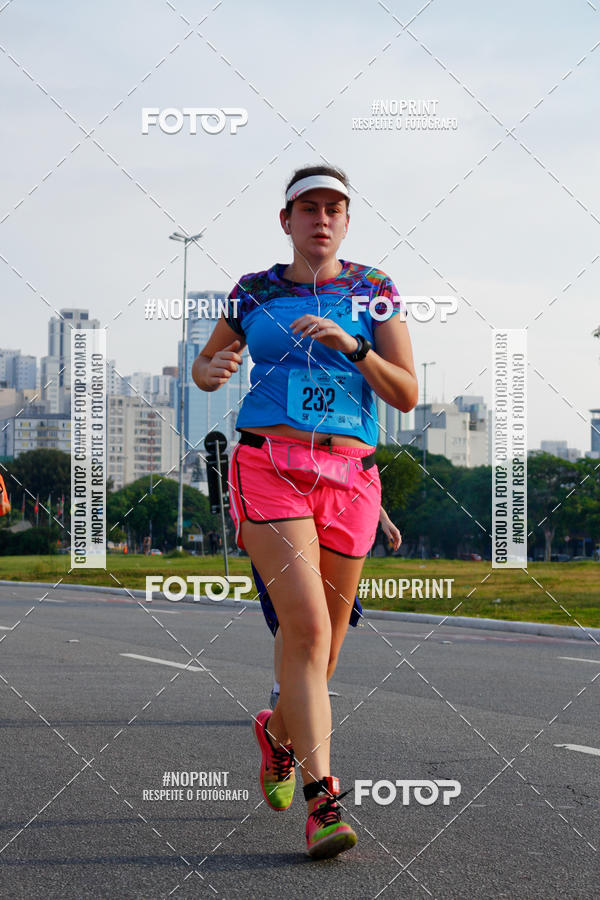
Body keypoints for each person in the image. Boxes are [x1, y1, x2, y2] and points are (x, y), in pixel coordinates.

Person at [192, 165, 417, 859]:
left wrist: (352, 347)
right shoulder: (254, 291)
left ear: (346, 222)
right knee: (309, 627)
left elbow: (407, 393)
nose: (321, 219)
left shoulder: (373, 290)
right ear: (285, 220)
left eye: (334, 209)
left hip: (350, 474)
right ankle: (324, 805)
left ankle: (277, 735)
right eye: (307, 208)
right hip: (269, 465)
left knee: (324, 655)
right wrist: (211, 373)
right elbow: (205, 367)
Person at [252, 508, 402, 709]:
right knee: (293, 613)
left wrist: (384, 519)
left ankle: (310, 685)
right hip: (286, 526)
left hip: (326, 533)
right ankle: (280, 692)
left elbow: (361, 479)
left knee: (328, 613)